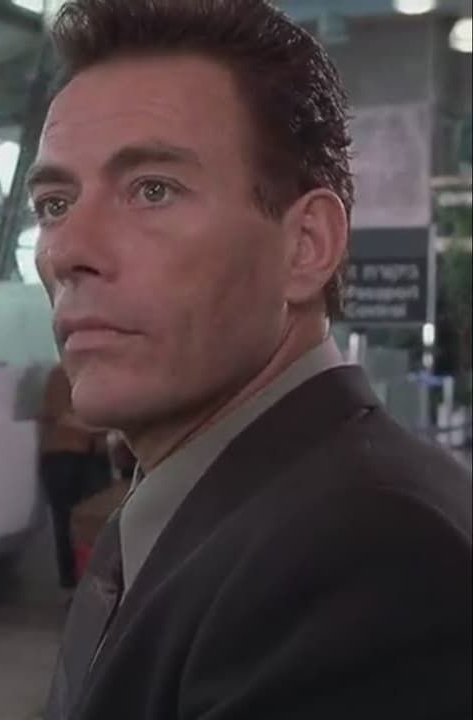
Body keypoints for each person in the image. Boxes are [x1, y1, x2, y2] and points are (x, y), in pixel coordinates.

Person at [26, 1, 471, 718]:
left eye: (152, 190)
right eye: (54, 203)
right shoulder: (214, 504)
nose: (68, 251)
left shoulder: (369, 557)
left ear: (305, 247)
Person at [37, 363, 110, 598]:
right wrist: (102, 426)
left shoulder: (104, 375)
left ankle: (97, 584)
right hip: (64, 455)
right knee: (66, 521)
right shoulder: (62, 374)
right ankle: (71, 587)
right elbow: (62, 416)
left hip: (95, 455)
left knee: (98, 520)